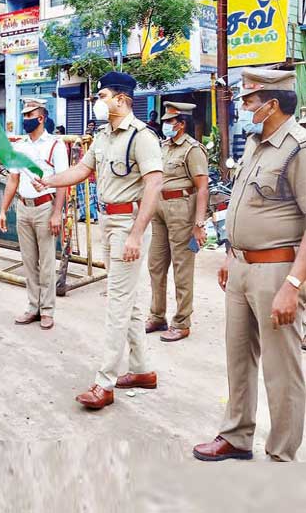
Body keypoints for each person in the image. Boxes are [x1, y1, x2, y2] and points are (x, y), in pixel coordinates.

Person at [193, 69, 306, 463]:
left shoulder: (298, 148)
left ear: (272, 105)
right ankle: (237, 436)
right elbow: (243, 204)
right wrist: (229, 254)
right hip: (240, 267)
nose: (243, 107)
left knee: (282, 368)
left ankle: (281, 456)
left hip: (277, 271)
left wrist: (293, 284)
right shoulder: (256, 145)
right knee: (238, 357)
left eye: (249, 100)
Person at [35, 71, 163, 410]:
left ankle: (104, 383)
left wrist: (136, 233)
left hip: (128, 224)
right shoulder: (104, 136)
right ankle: (142, 370)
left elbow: (154, 187)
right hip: (108, 221)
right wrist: (48, 180)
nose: (98, 102)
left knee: (117, 304)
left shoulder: (142, 137)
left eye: (103, 96)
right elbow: (81, 170)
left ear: (121, 99)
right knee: (130, 300)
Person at [0, 98, 68, 330]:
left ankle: (47, 310)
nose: (25, 120)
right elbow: (13, 179)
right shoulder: (20, 146)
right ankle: (33, 306)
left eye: (29, 116)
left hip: (45, 207)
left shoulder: (55, 145)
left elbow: (63, 183)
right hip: (23, 207)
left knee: (47, 261)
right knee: (28, 261)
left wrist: (57, 213)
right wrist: (3, 209)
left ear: (41, 118)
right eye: (24, 115)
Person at [145, 102, 209, 342]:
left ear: (181, 124)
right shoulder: (163, 147)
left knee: (182, 268)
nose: (165, 125)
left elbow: (203, 188)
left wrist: (199, 223)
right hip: (160, 209)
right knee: (156, 265)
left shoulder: (193, 150)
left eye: (170, 121)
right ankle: (157, 315)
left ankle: (182, 322)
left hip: (182, 208)